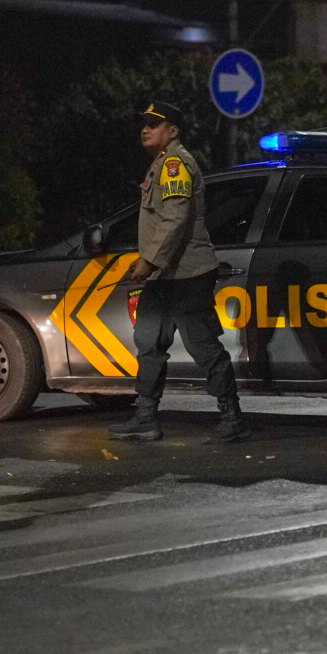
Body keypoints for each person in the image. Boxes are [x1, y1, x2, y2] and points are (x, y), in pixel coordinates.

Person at [108, 102, 246, 443]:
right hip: (164, 276)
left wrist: (149, 261)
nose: (145, 129)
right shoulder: (160, 164)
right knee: (149, 344)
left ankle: (232, 417)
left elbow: (175, 219)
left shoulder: (175, 164)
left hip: (188, 273)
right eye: (144, 123)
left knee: (203, 346)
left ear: (173, 131)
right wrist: (151, 263)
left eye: (154, 124)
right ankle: (145, 418)